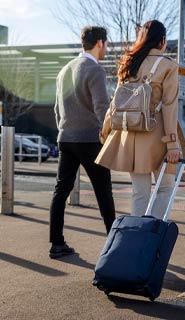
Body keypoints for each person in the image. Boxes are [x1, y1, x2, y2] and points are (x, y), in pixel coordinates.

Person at [96, 20, 185, 218]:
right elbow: (170, 106)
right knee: (165, 187)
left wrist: (106, 130)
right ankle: (151, 234)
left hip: (129, 135)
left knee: (139, 193)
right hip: (157, 135)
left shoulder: (128, 63)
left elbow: (116, 102)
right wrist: (172, 144)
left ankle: (138, 240)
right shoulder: (168, 66)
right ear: (162, 41)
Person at [49, 26, 116, 259]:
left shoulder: (64, 71)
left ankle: (56, 243)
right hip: (90, 139)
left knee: (61, 190)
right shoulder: (94, 70)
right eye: (107, 44)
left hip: (66, 138)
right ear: (99, 43)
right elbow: (101, 107)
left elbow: (57, 109)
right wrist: (108, 133)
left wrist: (64, 130)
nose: (107, 48)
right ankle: (115, 246)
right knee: (103, 192)